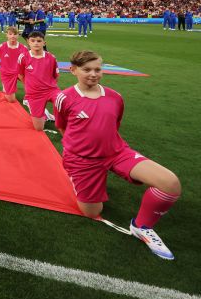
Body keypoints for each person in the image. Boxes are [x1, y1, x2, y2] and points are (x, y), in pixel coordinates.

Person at [54, 50, 182, 260]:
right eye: (87, 70)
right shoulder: (64, 98)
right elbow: (62, 126)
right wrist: (79, 151)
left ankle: (141, 226)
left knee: (170, 184)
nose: (93, 74)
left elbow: (114, 126)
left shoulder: (115, 97)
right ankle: (77, 176)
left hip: (117, 152)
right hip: (83, 161)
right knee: (92, 212)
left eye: (98, 69)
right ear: (73, 70)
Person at [17, 31, 58, 132]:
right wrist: (29, 86)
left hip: (51, 90)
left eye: (39, 41)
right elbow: (20, 75)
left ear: (44, 43)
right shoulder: (23, 57)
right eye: (33, 41)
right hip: (34, 94)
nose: (36, 43)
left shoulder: (51, 57)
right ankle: (45, 114)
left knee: (64, 103)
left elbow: (55, 76)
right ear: (28, 42)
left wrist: (50, 86)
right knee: (38, 128)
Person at [0, 27, 24, 103]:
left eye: (15, 34)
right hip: (7, 73)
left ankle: (31, 97)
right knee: (11, 100)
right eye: (10, 34)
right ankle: (7, 91)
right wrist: (1, 64)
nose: (13, 36)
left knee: (32, 83)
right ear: (7, 35)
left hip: (20, 72)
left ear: (18, 35)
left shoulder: (23, 48)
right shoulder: (2, 47)